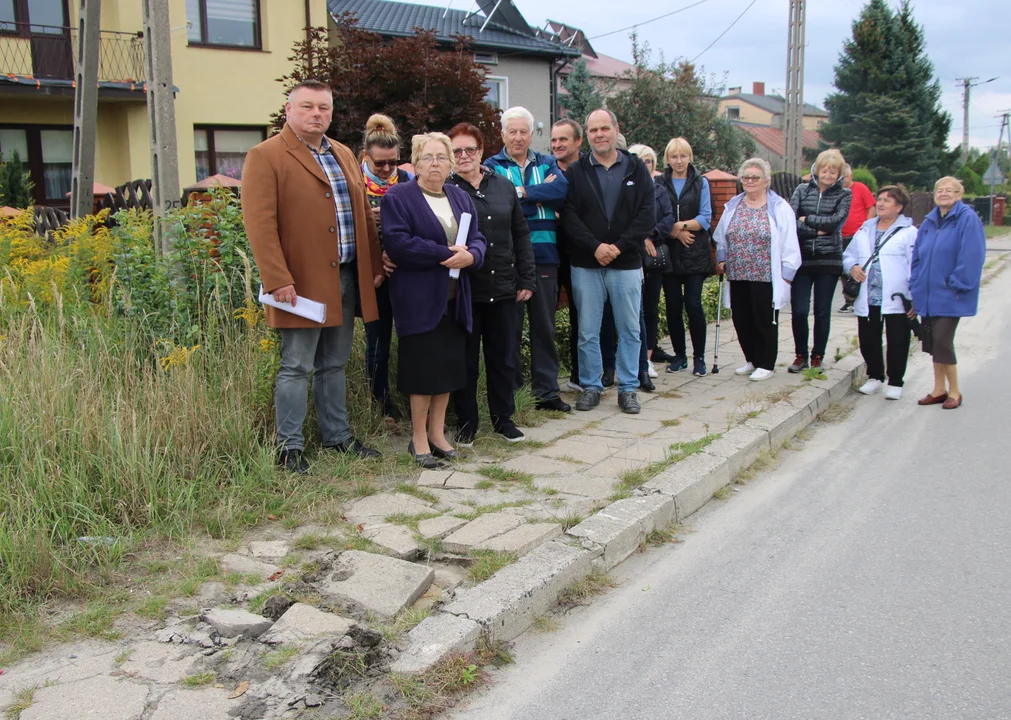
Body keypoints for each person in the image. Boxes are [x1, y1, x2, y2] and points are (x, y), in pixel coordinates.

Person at [243, 80, 384, 474]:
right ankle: (290, 448)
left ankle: (337, 436)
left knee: (334, 363)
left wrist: (371, 267)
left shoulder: (341, 153)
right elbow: (259, 224)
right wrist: (276, 278)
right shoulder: (265, 155)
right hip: (299, 283)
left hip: (345, 276)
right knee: (296, 365)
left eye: (324, 107)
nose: (316, 114)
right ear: (289, 110)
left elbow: (361, 218)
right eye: (307, 106)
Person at [380, 133, 486, 467]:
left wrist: (472, 258)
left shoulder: (459, 197)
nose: (435, 163)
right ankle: (418, 439)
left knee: (448, 370)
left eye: (442, 157)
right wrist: (446, 254)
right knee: (423, 372)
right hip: (419, 299)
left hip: (456, 299)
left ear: (451, 162)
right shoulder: (399, 197)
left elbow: (479, 238)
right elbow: (399, 244)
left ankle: (438, 434)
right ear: (414, 162)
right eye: (427, 157)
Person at [446, 123, 536, 445]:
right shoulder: (447, 191)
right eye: (457, 151)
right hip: (467, 292)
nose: (464, 155)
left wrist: (526, 277)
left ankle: (503, 419)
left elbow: (521, 234)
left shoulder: (503, 186)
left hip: (505, 288)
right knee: (466, 360)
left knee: (503, 357)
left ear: (481, 151)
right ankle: (467, 422)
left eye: (470, 149)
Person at [561, 109, 656, 413]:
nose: (599, 134)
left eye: (605, 128)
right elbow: (570, 217)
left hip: (626, 263)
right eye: (593, 130)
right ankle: (591, 386)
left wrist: (617, 246)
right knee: (588, 330)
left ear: (616, 129)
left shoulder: (636, 168)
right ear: (586, 135)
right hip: (586, 264)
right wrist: (595, 247)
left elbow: (646, 215)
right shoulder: (576, 172)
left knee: (629, 329)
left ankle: (628, 389)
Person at [486, 107, 571, 413]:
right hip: (508, 259)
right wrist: (537, 197)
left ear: (531, 134)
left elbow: (561, 189)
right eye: (513, 131)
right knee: (509, 329)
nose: (519, 137)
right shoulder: (490, 167)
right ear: (503, 134)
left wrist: (520, 192)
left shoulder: (547, 162)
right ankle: (512, 391)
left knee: (544, 327)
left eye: (524, 131)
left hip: (545, 255)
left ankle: (547, 392)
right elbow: (497, 204)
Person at [713, 157, 802, 382]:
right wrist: (722, 260)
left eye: (755, 177)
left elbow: (791, 244)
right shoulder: (734, 205)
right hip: (738, 273)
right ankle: (752, 359)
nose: (750, 181)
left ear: (766, 181)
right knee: (742, 319)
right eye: (746, 177)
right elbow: (721, 238)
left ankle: (767, 363)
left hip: (766, 275)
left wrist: (787, 277)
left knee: (765, 320)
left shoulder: (780, 207)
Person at [602, 143, 674, 391]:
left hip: (640, 258)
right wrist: (638, 237)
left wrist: (648, 235)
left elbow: (660, 218)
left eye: (650, 161)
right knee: (611, 315)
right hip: (621, 253)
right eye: (641, 161)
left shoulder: (658, 190)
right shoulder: (621, 182)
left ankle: (642, 366)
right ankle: (611, 367)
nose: (646, 165)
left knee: (639, 315)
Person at [909, 176, 985, 410]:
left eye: (950, 190)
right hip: (928, 294)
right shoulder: (930, 222)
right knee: (933, 342)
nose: (944, 193)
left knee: (943, 340)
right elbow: (918, 258)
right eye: (939, 190)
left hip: (951, 293)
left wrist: (956, 283)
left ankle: (954, 391)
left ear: (959, 195)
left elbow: (972, 256)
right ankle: (938, 389)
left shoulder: (967, 219)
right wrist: (916, 285)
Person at [843, 185, 918, 400]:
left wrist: (914, 297)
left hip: (896, 295)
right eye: (880, 199)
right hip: (868, 295)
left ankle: (895, 380)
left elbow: (916, 265)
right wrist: (853, 267)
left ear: (899, 207)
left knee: (897, 339)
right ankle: (875, 376)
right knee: (868, 339)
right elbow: (848, 256)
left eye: (887, 200)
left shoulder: (909, 233)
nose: (881, 203)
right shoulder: (865, 228)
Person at [360, 113, 411, 423]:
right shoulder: (354, 183)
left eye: (393, 162)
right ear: (367, 157)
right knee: (378, 344)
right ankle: (381, 406)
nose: (388, 169)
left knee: (411, 341)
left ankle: (413, 399)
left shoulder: (406, 182)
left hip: (405, 274)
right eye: (380, 164)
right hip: (375, 277)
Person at [788, 149, 852, 373]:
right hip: (803, 259)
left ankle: (818, 356)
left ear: (839, 174)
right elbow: (791, 221)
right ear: (816, 170)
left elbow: (836, 223)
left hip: (829, 260)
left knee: (822, 311)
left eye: (833, 171)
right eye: (824, 170)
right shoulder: (801, 190)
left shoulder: (844, 194)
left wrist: (809, 219)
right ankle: (800, 355)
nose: (828, 175)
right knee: (799, 310)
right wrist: (817, 231)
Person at [656, 137, 713, 377]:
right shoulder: (659, 183)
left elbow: (706, 218)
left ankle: (699, 357)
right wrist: (674, 232)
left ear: (690, 157)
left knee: (693, 304)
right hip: (670, 254)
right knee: (672, 306)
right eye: (674, 156)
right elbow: (655, 214)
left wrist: (681, 226)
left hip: (695, 254)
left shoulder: (702, 182)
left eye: (683, 156)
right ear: (667, 159)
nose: (679, 161)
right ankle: (679, 355)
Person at [551, 118, 584, 393]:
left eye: (563, 139)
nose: (557, 145)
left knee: (581, 317)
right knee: (545, 318)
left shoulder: (587, 171)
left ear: (577, 142)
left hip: (581, 255)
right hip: (549, 252)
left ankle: (579, 374)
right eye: (554, 140)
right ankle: (547, 380)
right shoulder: (545, 169)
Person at [838, 164, 877, 312]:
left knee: (860, 266)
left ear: (851, 176)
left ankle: (859, 297)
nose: (843, 180)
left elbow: (871, 207)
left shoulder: (860, 188)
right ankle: (849, 298)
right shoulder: (839, 191)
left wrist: (867, 227)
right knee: (844, 268)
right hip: (842, 234)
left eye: (845, 177)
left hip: (857, 234)